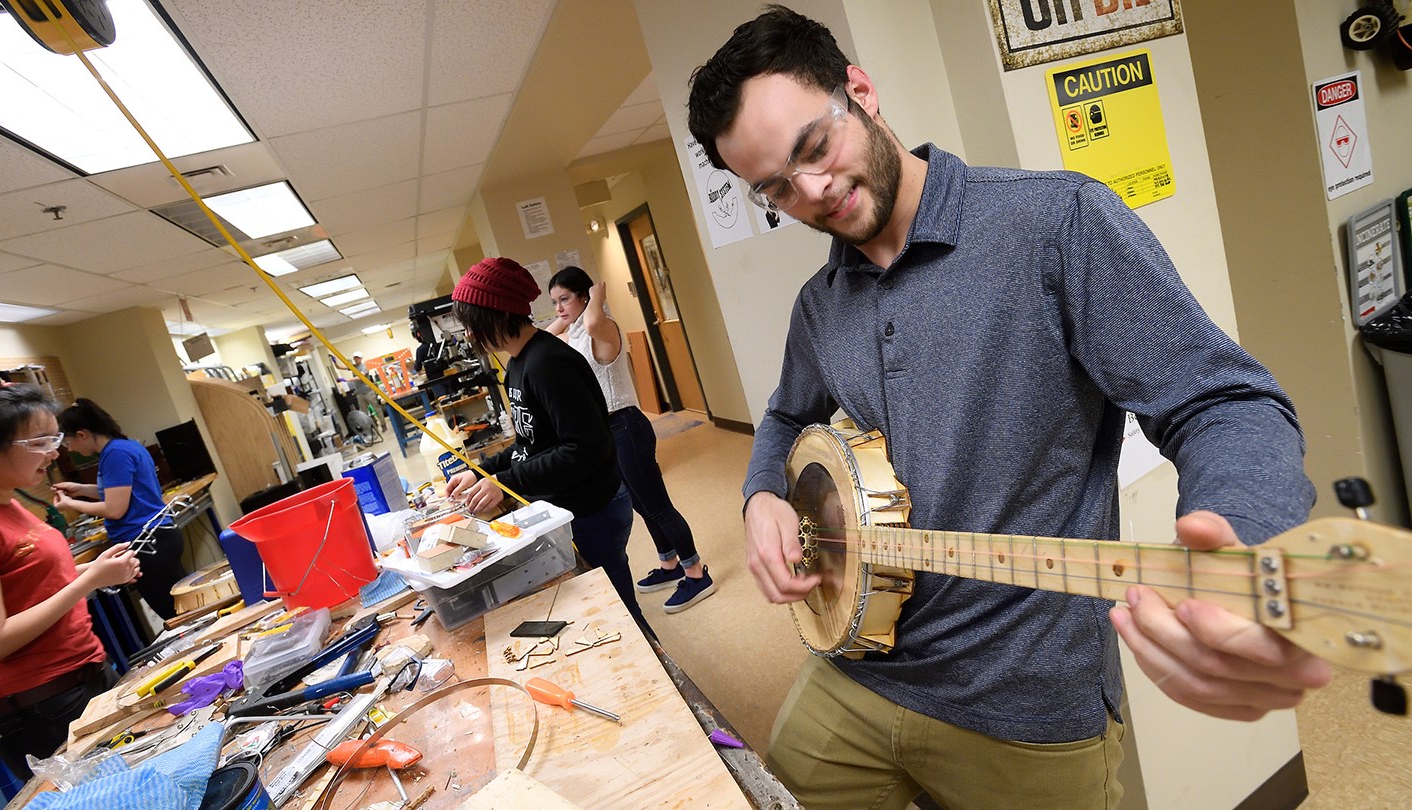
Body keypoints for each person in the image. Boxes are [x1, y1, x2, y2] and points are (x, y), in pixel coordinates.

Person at [687, 7, 1331, 809]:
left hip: (1024, 706)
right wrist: (758, 497)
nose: (811, 192)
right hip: (853, 667)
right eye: (776, 188)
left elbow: (1222, 402)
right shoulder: (818, 307)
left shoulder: (1055, 224)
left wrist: (1243, 549)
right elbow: (785, 417)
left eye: (814, 149)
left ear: (860, 90)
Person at [439, 257, 652, 636]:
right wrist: (482, 471)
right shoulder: (519, 364)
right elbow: (529, 441)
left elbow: (585, 449)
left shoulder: (548, 363)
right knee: (597, 606)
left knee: (618, 612)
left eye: (473, 324)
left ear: (497, 315)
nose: (471, 336)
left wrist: (507, 481)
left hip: (594, 508)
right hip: (568, 506)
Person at [0, 386, 141, 778]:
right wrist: (88, 582)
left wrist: (94, 572)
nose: (54, 453)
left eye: (55, 439)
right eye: (39, 442)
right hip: (44, 704)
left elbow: (33, 586)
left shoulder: (9, 501)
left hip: (83, 676)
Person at [546, 266, 717, 613]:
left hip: (626, 426)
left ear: (585, 296)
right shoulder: (576, 334)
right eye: (554, 302)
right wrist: (566, 315)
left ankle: (697, 574)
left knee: (657, 504)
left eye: (565, 299)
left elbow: (593, 322)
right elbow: (545, 341)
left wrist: (599, 295)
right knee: (640, 504)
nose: (559, 308)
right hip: (608, 433)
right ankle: (669, 564)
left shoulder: (603, 327)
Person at [53, 399, 186, 622]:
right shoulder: (124, 446)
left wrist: (70, 505)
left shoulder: (115, 454)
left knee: (177, 617)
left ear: (82, 434)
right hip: (157, 537)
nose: (71, 449)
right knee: (181, 609)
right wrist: (80, 489)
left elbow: (114, 509)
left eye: (68, 443)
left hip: (148, 543)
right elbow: (118, 490)